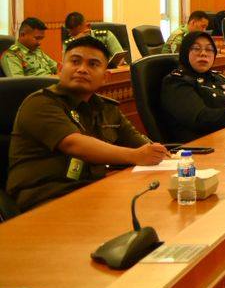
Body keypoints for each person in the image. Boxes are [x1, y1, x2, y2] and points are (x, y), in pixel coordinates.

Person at [5, 36, 167, 212]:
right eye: (75, 61)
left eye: (93, 64)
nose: (82, 69)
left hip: (93, 192)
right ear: (60, 69)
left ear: (105, 77)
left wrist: (159, 154)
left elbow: (140, 143)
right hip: (46, 199)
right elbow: (74, 144)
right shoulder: (40, 103)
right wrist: (135, 156)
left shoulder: (107, 109)